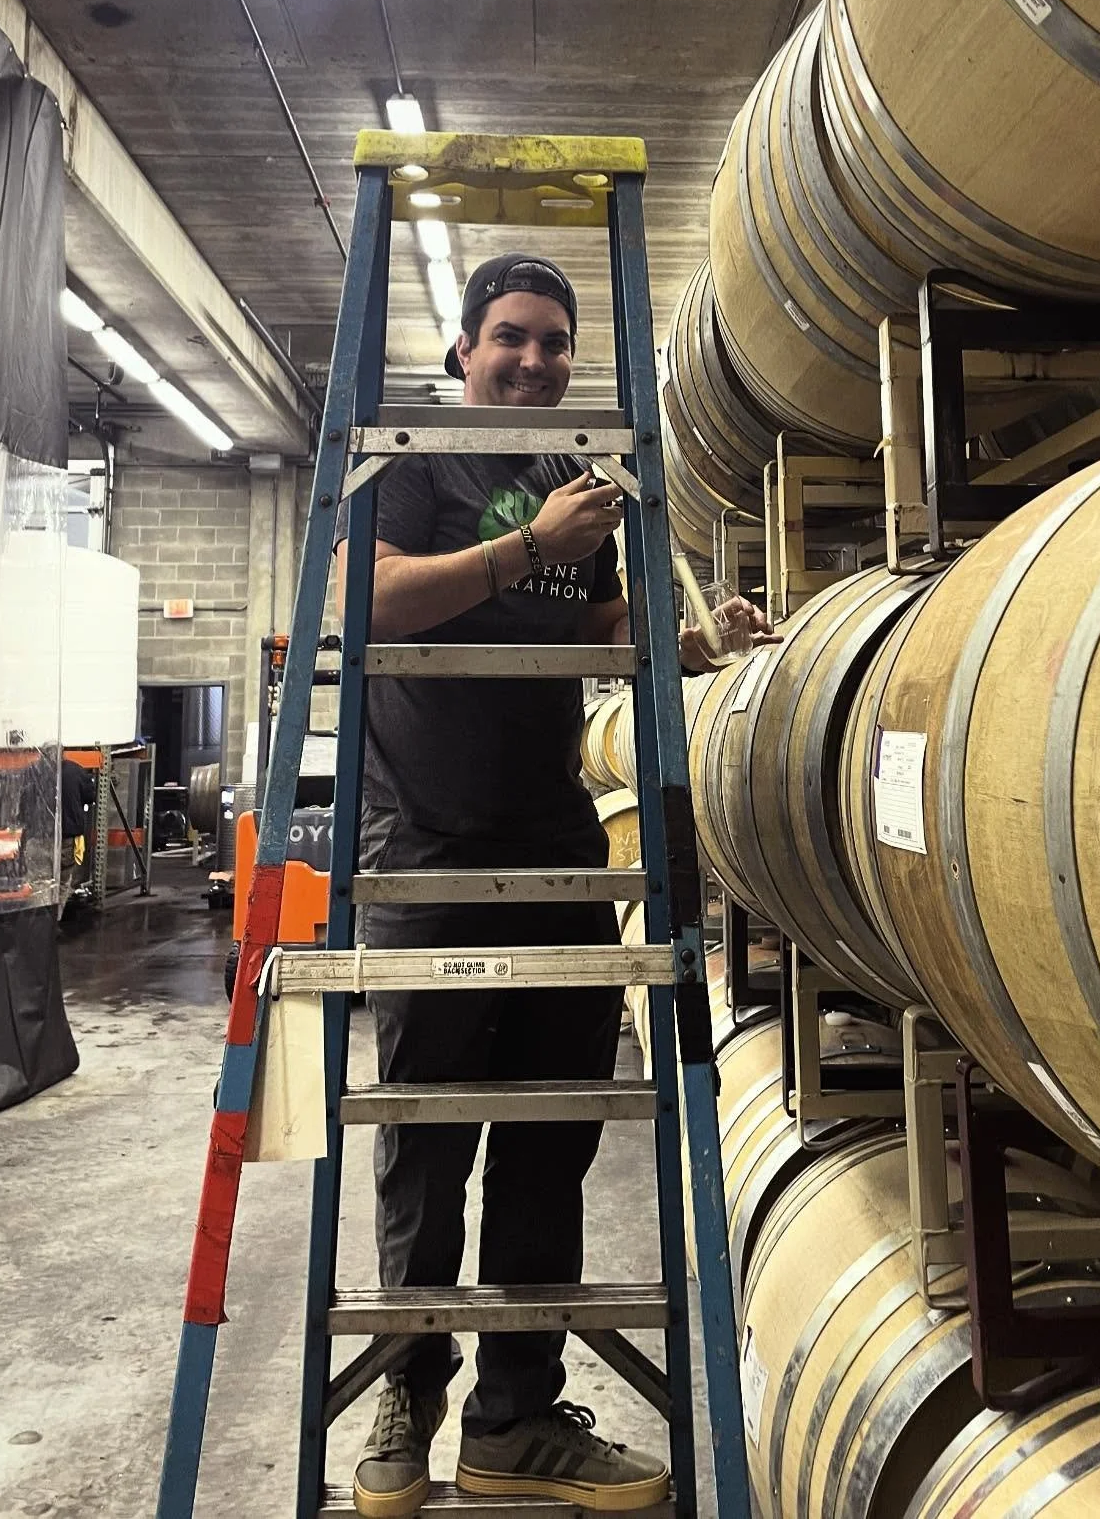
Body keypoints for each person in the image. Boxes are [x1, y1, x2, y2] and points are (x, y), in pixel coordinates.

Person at [334, 254, 774, 1518]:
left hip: (550, 838)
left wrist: (687, 637)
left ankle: (513, 1418)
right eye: (513, 338)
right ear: (465, 348)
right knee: (426, 1136)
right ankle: (406, 1396)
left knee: (550, 1134)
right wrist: (532, 538)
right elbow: (374, 605)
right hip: (421, 842)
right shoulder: (411, 458)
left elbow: (581, 630)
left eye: (557, 343)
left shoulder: (566, 475)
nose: (535, 361)